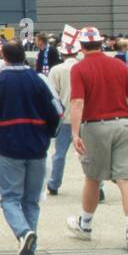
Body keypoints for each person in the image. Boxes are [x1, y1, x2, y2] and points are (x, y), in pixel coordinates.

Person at [65, 26, 128, 253]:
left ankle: (85, 225)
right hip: (124, 124)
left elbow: (77, 103)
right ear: (102, 43)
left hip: (95, 126)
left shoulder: (79, 68)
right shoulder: (120, 66)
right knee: (127, 180)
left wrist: (75, 133)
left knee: (93, 177)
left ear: (82, 46)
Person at [0, 41, 62, 255]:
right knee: (31, 200)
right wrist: (48, 134)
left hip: (9, 144)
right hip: (37, 145)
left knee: (9, 197)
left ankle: (22, 232)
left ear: (4, 57)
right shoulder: (40, 80)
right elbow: (56, 111)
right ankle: (31, 245)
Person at [46, 41, 83, 195]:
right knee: (88, 153)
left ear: (62, 54)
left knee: (59, 153)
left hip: (64, 116)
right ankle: (98, 185)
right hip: (84, 116)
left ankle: (54, 183)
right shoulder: (83, 67)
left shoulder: (56, 70)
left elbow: (51, 95)